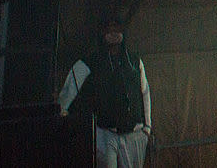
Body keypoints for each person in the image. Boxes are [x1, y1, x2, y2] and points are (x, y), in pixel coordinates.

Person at [58, 17, 152, 167]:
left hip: (133, 133)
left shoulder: (134, 62)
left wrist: (147, 127)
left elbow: (145, 92)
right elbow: (69, 89)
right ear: (102, 33)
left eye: (117, 29)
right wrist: (62, 113)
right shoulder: (89, 63)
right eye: (109, 30)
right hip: (105, 133)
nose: (113, 33)